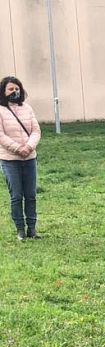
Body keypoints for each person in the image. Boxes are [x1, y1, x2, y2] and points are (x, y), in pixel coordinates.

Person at [0, 76, 40, 241]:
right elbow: (0, 135)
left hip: (29, 158)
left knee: (30, 195)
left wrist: (29, 147)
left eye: (17, 89)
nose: (14, 92)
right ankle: (20, 230)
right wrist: (17, 148)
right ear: (3, 92)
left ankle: (32, 229)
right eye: (11, 89)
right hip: (10, 160)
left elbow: (36, 131)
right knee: (16, 195)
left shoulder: (27, 109)